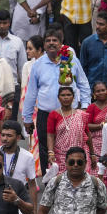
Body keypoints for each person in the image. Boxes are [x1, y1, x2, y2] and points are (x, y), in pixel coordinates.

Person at [23, 28, 91, 168]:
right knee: (45, 148)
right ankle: (49, 184)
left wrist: (84, 106)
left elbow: (83, 84)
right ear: (44, 44)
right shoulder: (38, 65)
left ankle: (70, 179)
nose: (51, 43)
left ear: (61, 43)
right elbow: (31, 93)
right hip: (45, 114)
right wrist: (27, 118)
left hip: (70, 113)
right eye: (48, 41)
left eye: (55, 40)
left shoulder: (72, 61)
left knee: (71, 146)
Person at [45, 85, 93, 173]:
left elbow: (87, 134)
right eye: (63, 95)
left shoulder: (81, 114)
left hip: (80, 153)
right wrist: (51, 152)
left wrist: (92, 154)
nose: (66, 97)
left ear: (73, 97)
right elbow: (50, 135)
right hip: (60, 155)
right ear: (58, 98)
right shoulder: (53, 114)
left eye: (68, 95)